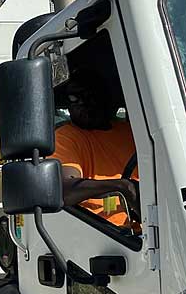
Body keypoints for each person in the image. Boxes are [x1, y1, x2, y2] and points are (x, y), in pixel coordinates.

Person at [51, 68, 139, 229]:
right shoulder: (66, 137)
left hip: (151, 228)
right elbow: (65, 189)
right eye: (74, 98)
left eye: (89, 95)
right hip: (106, 235)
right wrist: (122, 186)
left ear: (106, 98)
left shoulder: (132, 133)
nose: (82, 103)